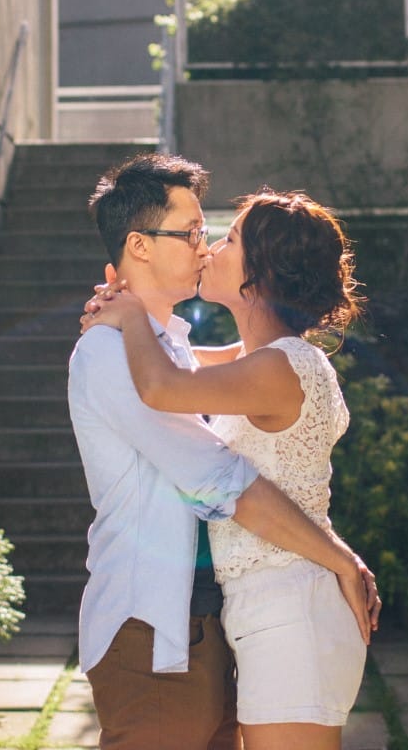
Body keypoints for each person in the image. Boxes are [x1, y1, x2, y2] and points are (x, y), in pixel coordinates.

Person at [68, 155, 378, 750]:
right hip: (161, 622)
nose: (205, 247)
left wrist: (131, 315)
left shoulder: (183, 352)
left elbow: (173, 385)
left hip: (247, 617)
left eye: (220, 236)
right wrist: (126, 318)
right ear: (139, 245)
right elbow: (220, 477)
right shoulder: (121, 353)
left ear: (259, 274)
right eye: (191, 232)